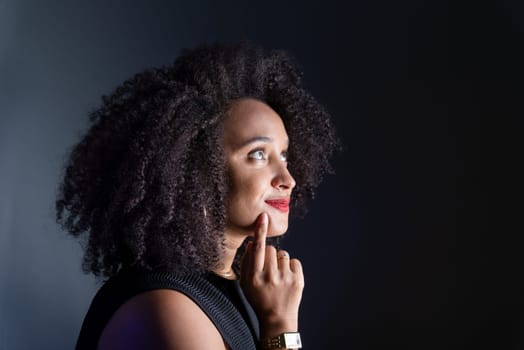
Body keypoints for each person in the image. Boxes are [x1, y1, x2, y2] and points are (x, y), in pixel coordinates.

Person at [56, 41, 338, 350]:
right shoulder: (165, 308)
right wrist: (280, 325)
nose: (288, 179)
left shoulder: (222, 286)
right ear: (198, 168)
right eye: (258, 155)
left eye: (283, 155)